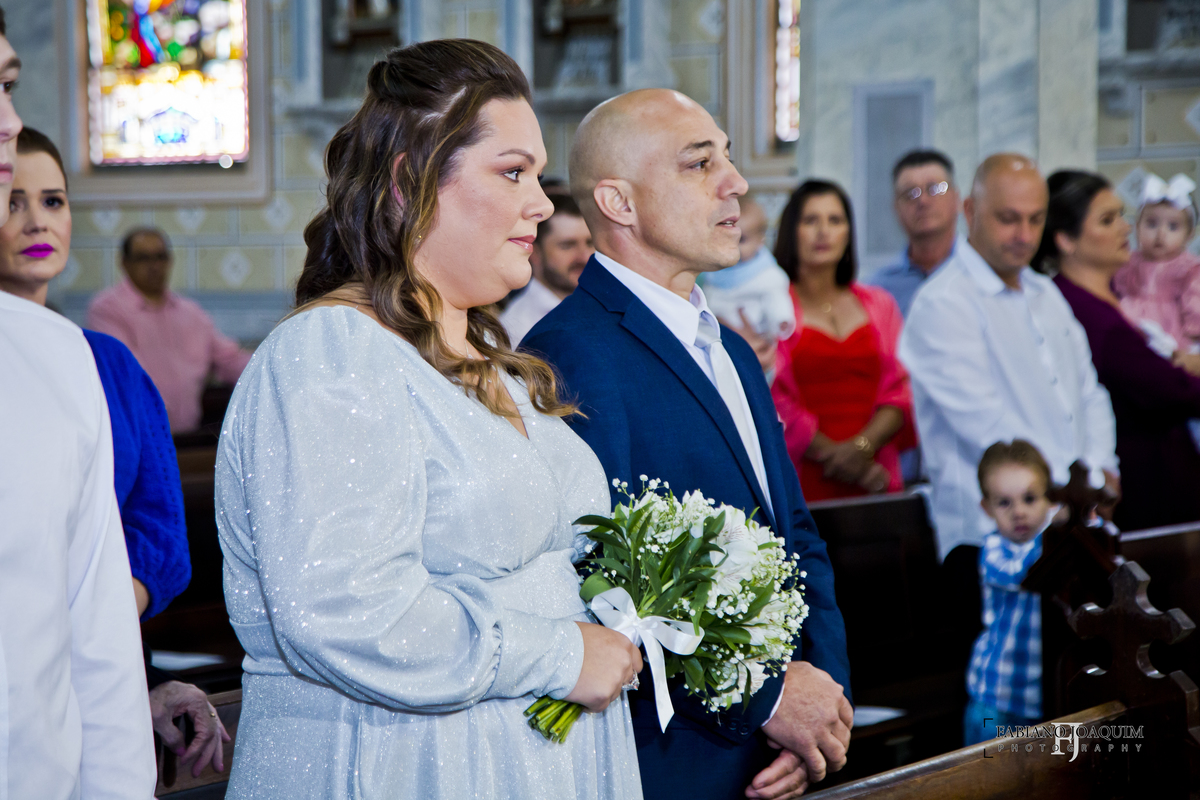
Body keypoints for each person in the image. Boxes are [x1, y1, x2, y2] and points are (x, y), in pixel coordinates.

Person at [215, 40, 643, 800]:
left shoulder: (492, 359)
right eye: (512, 172)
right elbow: (342, 610)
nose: (543, 205)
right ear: (410, 182)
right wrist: (559, 657)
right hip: (407, 766)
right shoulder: (332, 352)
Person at [523, 88, 852, 800]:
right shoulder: (569, 354)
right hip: (678, 761)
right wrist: (766, 700)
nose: (736, 182)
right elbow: (594, 578)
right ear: (619, 202)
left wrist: (822, 703)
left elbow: (794, 531)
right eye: (700, 164)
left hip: (780, 750)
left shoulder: (730, 349)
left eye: (727, 157)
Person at [0, 126, 229, 778]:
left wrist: (96, 631)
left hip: (105, 660)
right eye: (14, 201)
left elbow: (161, 532)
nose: (37, 221)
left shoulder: (109, 364)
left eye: (54, 201)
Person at [0, 12, 158, 797]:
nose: (9, 121)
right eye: (18, 202)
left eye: (55, 201)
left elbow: (101, 637)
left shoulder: (79, 359)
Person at [899, 153, 1119, 563]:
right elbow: (987, 426)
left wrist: (1101, 466)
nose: (1024, 234)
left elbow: (1088, 393)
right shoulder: (942, 302)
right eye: (1008, 219)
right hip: (988, 538)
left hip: (1074, 519)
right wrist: (1074, 486)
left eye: (1036, 219)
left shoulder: (1045, 293)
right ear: (970, 211)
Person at [1036, 170, 1200, 531]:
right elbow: (1169, 389)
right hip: (1140, 487)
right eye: (1108, 220)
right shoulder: (1084, 312)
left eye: (1122, 216)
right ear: (1066, 240)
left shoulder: (1120, 292)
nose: (1126, 228)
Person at [771, 180, 915, 501]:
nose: (823, 232)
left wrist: (862, 449)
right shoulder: (773, 308)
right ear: (791, 231)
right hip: (801, 476)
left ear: (848, 232)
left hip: (876, 475)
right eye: (811, 220)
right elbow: (772, 400)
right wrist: (842, 459)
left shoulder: (880, 304)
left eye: (835, 220)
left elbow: (901, 391)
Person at [86, 226, 252, 432]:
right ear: (125, 263)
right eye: (143, 258)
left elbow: (230, 359)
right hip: (137, 437)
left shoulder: (190, 313)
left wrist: (268, 372)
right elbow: (126, 373)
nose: (154, 266)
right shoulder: (107, 310)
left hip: (188, 437)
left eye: (160, 257)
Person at [963, 440, 1054, 745]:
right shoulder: (994, 550)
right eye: (1004, 503)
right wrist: (1056, 533)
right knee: (987, 767)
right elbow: (1021, 574)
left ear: (1049, 499)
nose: (1019, 512)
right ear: (986, 508)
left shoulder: (1050, 546)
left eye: (1030, 498)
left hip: (1040, 697)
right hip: (996, 697)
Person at [1111, 172, 1200, 367]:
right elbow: (1115, 288)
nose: (1161, 234)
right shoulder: (1129, 260)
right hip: (1130, 318)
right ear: (1137, 227)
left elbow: (1195, 302)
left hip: (1170, 326)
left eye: (1173, 227)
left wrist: (1195, 330)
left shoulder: (1189, 268)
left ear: (1189, 235)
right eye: (1151, 224)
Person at [698, 195, 796, 369]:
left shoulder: (766, 273)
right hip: (718, 339)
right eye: (727, 238)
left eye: (742, 240)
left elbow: (776, 297)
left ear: (760, 241)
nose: (734, 246)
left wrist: (781, 320)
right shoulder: (714, 270)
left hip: (757, 336)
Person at [866, 149, 960, 318]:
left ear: (956, 198)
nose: (922, 201)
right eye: (910, 193)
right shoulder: (878, 291)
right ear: (896, 207)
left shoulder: (984, 272)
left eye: (934, 189)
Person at [500, 192, 593, 343]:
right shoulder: (516, 329)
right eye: (567, 245)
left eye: (590, 243)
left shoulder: (604, 306)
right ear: (535, 253)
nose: (585, 256)